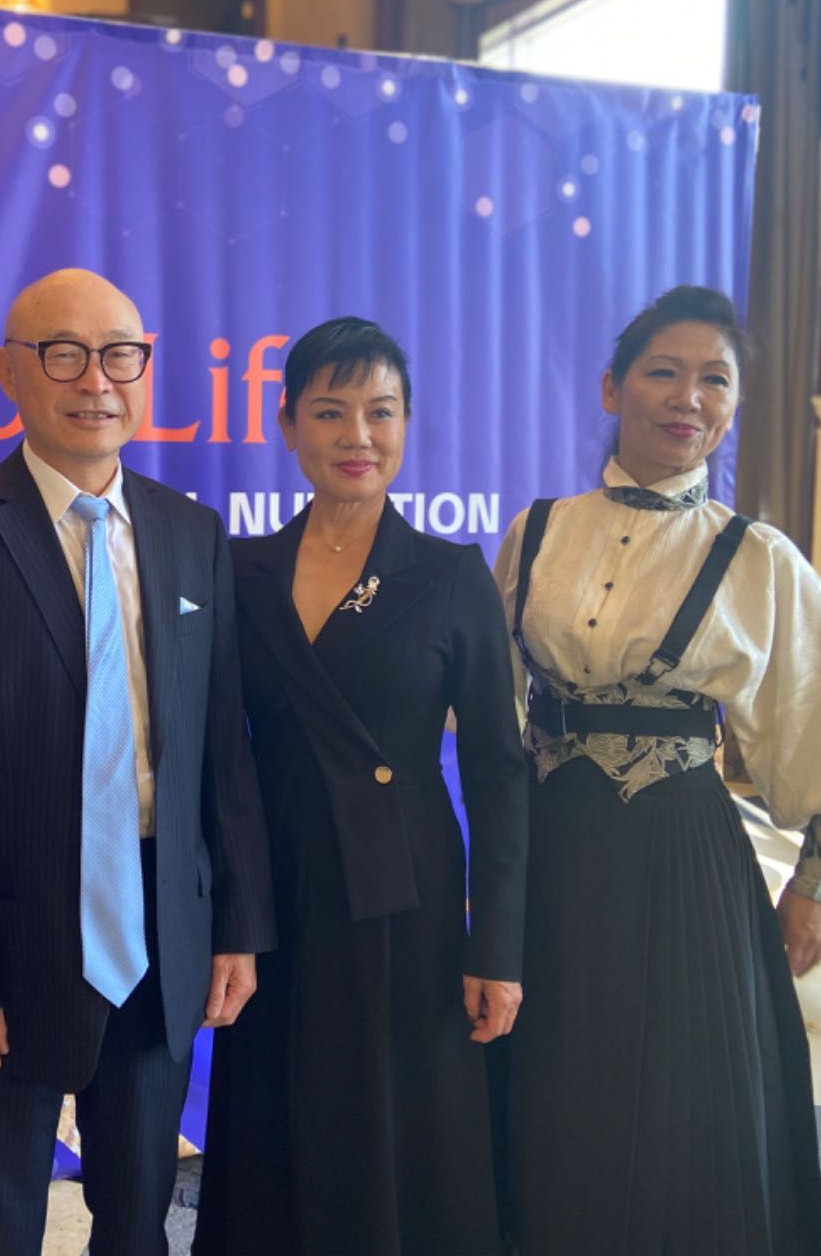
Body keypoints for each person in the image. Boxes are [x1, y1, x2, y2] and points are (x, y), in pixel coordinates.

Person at [492, 285, 821, 1254]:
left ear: (732, 404)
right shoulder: (534, 531)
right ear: (612, 387)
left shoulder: (755, 558)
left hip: (682, 856)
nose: (687, 397)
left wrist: (814, 888)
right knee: (553, 1078)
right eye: (663, 372)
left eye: (714, 380)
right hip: (550, 850)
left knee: (679, 1095)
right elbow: (489, 704)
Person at [0, 268, 275, 1256]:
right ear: (9, 373)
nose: (95, 380)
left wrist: (234, 924)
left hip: (158, 928)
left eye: (119, 355)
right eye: (63, 354)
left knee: (138, 1219)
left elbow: (220, 751)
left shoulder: (191, 533)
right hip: (4, 940)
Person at [193, 317, 531, 1256]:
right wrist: (225, 911)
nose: (358, 436)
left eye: (380, 412)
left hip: (403, 888)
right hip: (273, 881)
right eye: (330, 412)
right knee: (276, 1105)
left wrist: (498, 946)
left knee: (394, 1117)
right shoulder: (240, 569)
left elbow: (500, 772)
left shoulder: (448, 575)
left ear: (407, 424)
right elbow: (217, 753)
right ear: (287, 425)